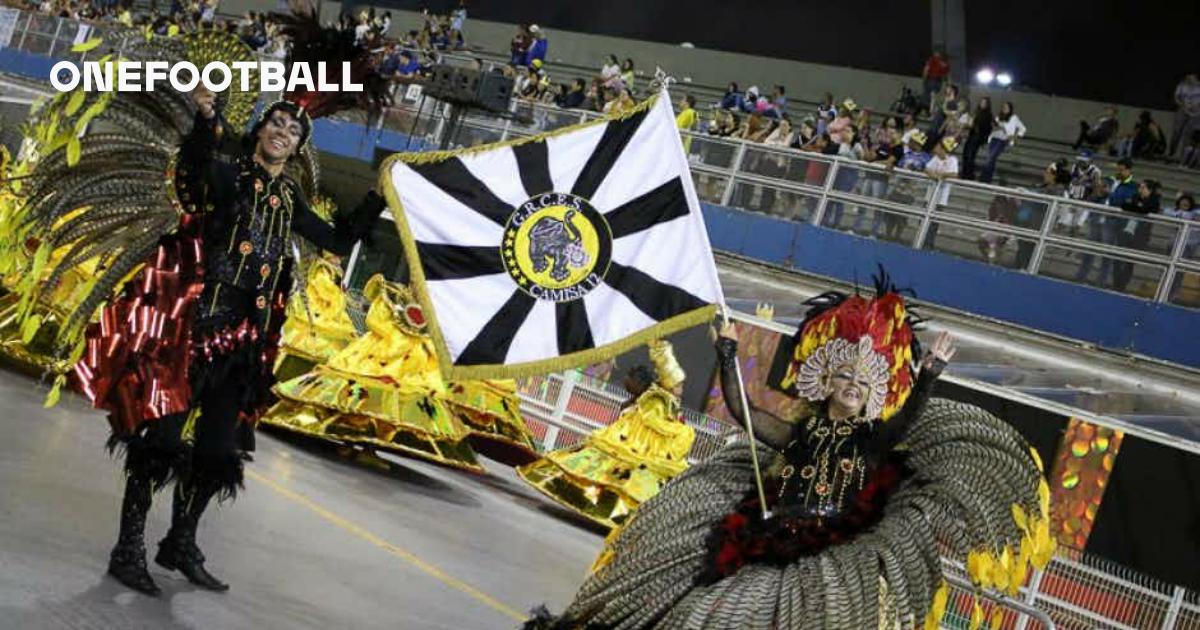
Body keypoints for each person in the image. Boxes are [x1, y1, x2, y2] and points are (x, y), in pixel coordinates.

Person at [21, 71, 388, 598]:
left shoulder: (289, 199)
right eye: (276, 122)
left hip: (242, 348)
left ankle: (180, 542)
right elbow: (195, 170)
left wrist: (376, 197)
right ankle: (128, 549)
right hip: (191, 333)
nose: (282, 131)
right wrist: (208, 117)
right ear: (261, 129)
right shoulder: (229, 172)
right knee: (161, 443)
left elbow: (338, 237)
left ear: (300, 146)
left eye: (293, 130)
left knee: (218, 454)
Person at [527, 282, 1052, 629]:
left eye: (861, 382)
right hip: (767, 534)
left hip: (832, 551)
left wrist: (931, 372)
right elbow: (743, 410)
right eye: (843, 376)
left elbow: (907, 420)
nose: (851, 385)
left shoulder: (870, 442)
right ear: (825, 383)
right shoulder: (798, 434)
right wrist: (727, 349)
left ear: (872, 395)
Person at [516, 341, 694, 529]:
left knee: (627, 478)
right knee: (617, 472)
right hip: (639, 442)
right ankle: (600, 503)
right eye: (679, 385)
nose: (681, 389)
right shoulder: (657, 400)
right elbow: (652, 420)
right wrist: (680, 430)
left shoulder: (665, 400)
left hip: (648, 445)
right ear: (669, 383)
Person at [1076, 157, 1136, 286]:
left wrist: (1109, 193)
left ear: (1128, 170)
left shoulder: (1132, 186)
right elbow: (1095, 195)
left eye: (1122, 169)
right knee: (1089, 250)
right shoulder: (1110, 179)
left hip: (1113, 222)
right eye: (1118, 169)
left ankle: (1100, 282)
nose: (1119, 171)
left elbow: (1123, 201)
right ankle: (1080, 277)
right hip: (1097, 218)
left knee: (1106, 255)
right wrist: (1098, 191)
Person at [1112, 180, 1162, 292]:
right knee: (1117, 259)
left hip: (1139, 235)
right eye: (1140, 187)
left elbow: (1145, 210)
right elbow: (1125, 205)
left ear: (1149, 190)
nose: (1140, 189)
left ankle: (1121, 286)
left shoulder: (1154, 201)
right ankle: (1115, 284)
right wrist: (1137, 207)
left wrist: (1136, 207)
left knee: (1129, 262)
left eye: (1143, 187)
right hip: (1125, 232)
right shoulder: (1135, 196)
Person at [978, 101, 1025, 184]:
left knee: (990, 158)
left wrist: (1015, 136)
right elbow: (993, 127)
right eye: (1003, 107)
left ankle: (983, 179)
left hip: (1003, 140)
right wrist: (995, 126)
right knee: (991, 159)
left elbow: (1023, 129)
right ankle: (987, 179)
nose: (1004, 109)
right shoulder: (998, 117)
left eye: (1006, 107)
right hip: (994, 138)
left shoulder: (1014, 118)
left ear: (1010, 109)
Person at [960, 96, 992, 180]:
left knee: (970, 155)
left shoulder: (988, 115)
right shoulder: (976, 112)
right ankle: (964, 173)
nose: (982, 104)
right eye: (982, 102)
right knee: (966, 154)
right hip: (972, 135)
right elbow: (971, 124)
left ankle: (969, 175)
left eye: (984, 103)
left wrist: (984, 140)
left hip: (978, 137)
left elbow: (988, 128)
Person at [1171, 74, 1200, 160]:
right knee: (1176, 131)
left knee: (1188, 135)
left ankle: (1183, 156)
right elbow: (1176, 97)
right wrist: (1182, 105)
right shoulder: (1182, 86)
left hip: (1195, 113)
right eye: (1187, 77)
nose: (1189, 78)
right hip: (1182, 110)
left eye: (1191, 77)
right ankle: (1172, 152)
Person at [921, 46, 950, 113]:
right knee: (934, 96)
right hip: (939, 81)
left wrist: (924, 79)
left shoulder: (932, 59)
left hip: (931, 80)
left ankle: (926, 111)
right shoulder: (945, 63)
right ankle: (932, 111)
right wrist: (947, 83)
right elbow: (947, 74)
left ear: (936, 53)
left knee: (927, 95)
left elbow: (926, 69)